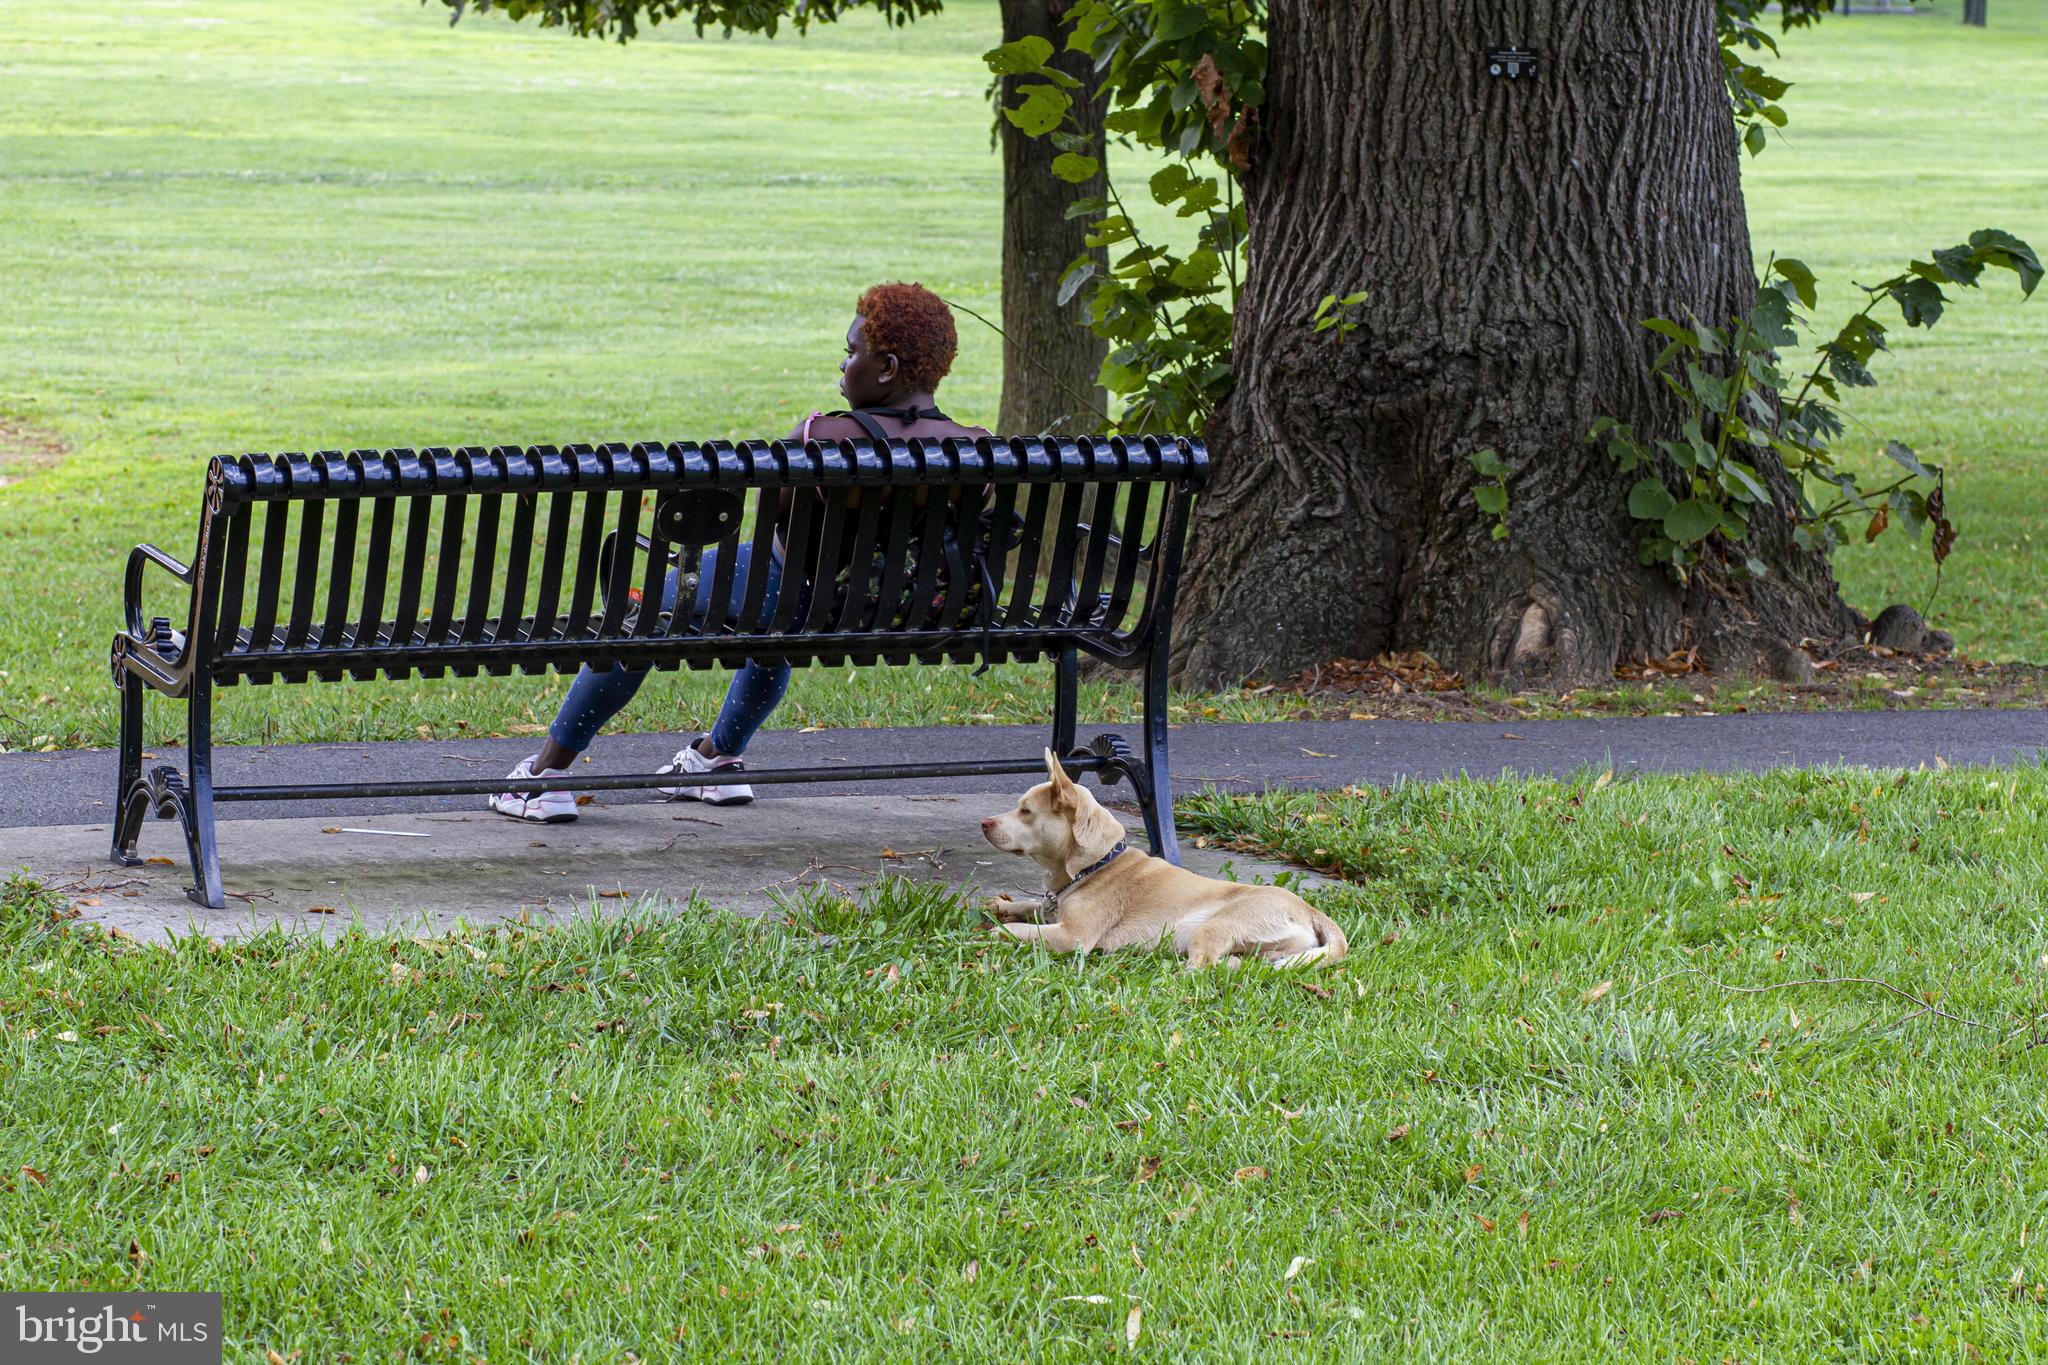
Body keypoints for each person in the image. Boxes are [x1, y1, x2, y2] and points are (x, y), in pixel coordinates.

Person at [492, 281, 993, 823]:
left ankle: (543, 777)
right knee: (772, 612)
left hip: (791, 598)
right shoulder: (979, 446)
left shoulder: (823, 436)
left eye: (851, 354)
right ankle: (716, 762)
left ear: (888, 367)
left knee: (642, 611)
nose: (842, 366)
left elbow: (775, 509)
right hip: (891, 612)